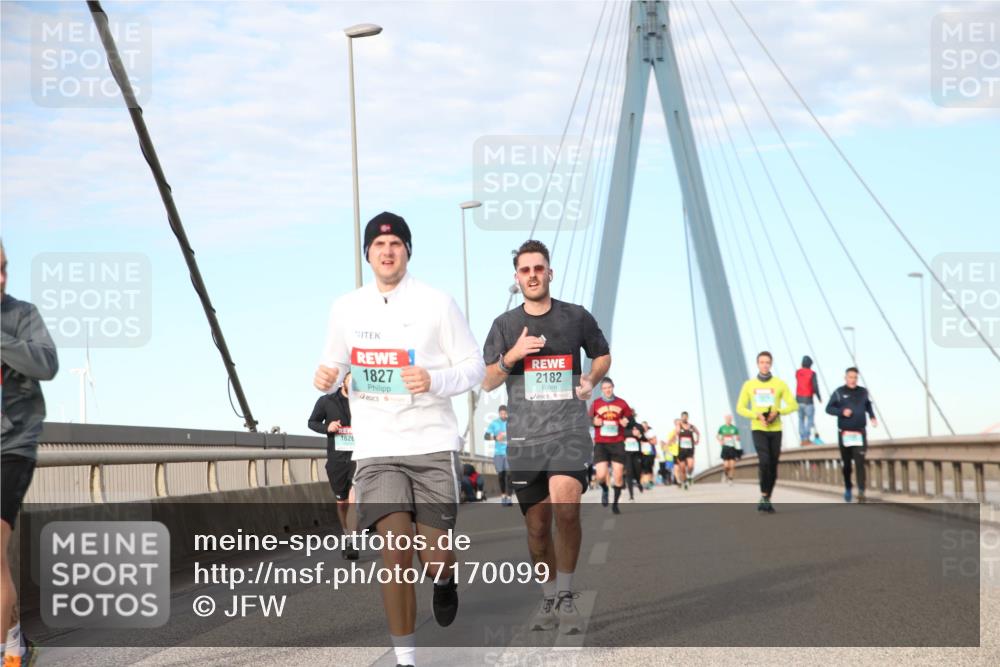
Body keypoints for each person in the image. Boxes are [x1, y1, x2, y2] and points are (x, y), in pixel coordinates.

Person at [314, 212, 485, 667]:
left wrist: (433, 378)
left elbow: (474, 367)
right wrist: (324, 375)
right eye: (378, 245)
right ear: (368, 253)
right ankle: (407, 660)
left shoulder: (437, 303)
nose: (387, 252)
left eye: (395, 244)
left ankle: (445, 581)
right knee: (395, 549)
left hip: (431, 444)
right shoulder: (345, 308)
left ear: (408, 250)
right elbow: (332, 368)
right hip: (377, 449)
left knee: (435, 556)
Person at [481, 239, 611, 636]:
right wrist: (513, 356)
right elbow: (487, 381)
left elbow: (602, 353)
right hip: (524, 439)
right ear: (517, 277)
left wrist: (591, 378)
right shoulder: (504, 326)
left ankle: (568, 594)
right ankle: (549, 595)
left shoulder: (576, 317)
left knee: (567, 508)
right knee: (537, 529)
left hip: (569, 430)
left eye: (539, 268)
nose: (533, 275)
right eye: (525, 270)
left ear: (550, 273)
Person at [2, 242, 58, 667]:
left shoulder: (21, 315)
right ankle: (15, 640)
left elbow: (46, 364)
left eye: (3, 268)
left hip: (11, 447)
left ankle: (10, 655)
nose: (1, 279)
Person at [736, 351, 798, 514]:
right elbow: (740, 408)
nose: (764, 365)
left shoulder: (780, 384)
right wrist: (755, 415)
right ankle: (764, 496)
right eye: (762, 362)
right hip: (758, 428)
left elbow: (793, 405)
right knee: (764, 461)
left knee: (773, 465)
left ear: (771, 364)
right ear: (757, 364)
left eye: (767, 362)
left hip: (776, 429)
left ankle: (767, 498)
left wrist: (778, 412)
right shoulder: (749, 385)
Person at [308, 371, 359, 560]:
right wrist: (327, 428)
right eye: (350, 380)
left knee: (354, 500)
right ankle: (346, 535)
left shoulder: (364, 402)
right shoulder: (326, 401)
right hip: (337, 460)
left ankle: (352, 542)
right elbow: (312, 422)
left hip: (358, 457)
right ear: (343, 382)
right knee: (342, 502)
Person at [825, 367, 878, 503]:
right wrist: (842, 411)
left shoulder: (863, 392)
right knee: (847, 464)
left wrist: (872, 416)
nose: (852, 380)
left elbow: (868, 405)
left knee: (860, 463)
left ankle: (861, 491)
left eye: (855, 377)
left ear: (857, 378)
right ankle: (848, 487)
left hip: (860, 432)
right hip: (845, 433)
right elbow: (829, 408)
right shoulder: (839, 392)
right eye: (850, 377)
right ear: (845, 378)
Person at [588, 378, 633, 514]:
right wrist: (593, 421)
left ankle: (615, 504)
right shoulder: (596, 404)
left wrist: (626, 421)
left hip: (617, 443)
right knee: (601, 475)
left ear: (613, 387)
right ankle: (605, 489)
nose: (607, 390)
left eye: (609, 387)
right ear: (602, 390)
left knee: (618, 477)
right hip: (601, 443)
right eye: (605, 388)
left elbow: (630, 419)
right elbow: (589, 419)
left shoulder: (622, 403)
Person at [484, 406, 512, 506]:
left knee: (509, 475)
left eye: (505, 413)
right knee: (501, 475)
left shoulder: (511, 422)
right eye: (501, 414)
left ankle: (509, 497)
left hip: (509, 453)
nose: (503, 415)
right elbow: (486, 436)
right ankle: (503, 495)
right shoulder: (494, 423)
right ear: (499, 413)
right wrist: (496, 437)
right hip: (498, 453)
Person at [795, 356, 822, 446]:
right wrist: (819, 397)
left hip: (798, 400)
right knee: (810, 420)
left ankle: (802, 438)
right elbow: (815, 386)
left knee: (801, 420)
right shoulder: (812, 373)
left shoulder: (797, 373)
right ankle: (806, 439)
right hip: (808, 400)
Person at [674, 411, 700, 489]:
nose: (685, 418)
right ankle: (685, 482)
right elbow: (676, 432)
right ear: (681, 417)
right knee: (682, 469)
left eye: (686, 416)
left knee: (690, 466)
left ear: (688, 417)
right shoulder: (679, 425)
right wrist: (678, 428)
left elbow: (698, 433)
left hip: (690, 449)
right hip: (681, 450)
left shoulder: (691, 426)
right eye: (683, 417)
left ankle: (689, 476)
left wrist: (697, 440)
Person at [623, 420, 646, 501]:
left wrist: (639, 435)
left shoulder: (638, 426)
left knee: (637, 471)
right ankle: (631, 495)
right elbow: (620, 434)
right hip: (626, 454)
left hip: (637, 454)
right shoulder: (622, 426)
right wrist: (632, 433)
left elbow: (644, 438)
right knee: (629, 473)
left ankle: (639, 482)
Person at [717, 414, 741, 484]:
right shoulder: (722, 428)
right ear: (725, 419)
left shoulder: (734, 428)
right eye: (727, 419)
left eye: (730, 419)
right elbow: (717, 436)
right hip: (725, 448)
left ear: (731, 420)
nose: (729, 420)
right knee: (726, 466)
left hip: (732, 448)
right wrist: (720, 441)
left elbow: (738, 437)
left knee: (732, 466)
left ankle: (730, 479)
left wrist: (738, 438)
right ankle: (725, 474)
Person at [640, 420, 657, 489]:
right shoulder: (640, 433)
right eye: (642, 426)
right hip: (642, 453)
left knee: (649, 468)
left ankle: (650, 481)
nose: (644, 428)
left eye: (645, 426)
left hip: (650, 453)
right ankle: (645, 482)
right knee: (644, 468)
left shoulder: (651, 432)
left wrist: (647, 440)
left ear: (647, 426)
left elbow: (655, 442)